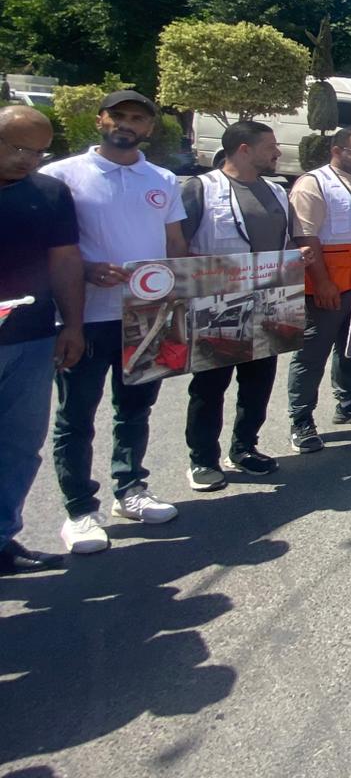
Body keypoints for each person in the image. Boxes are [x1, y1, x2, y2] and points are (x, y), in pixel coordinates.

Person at [41, 90, 187, 553]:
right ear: (100, 120)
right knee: (76, 416)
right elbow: (46, 251)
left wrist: (179, 300)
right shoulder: (60, 176)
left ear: (149, 128)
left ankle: (130, 489)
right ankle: (80, 510)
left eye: (137, 119)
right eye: (118, 116)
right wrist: (85, 270)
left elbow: (175, 246)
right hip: (84, 317)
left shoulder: (163, 179)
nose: (127, 124)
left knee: (135, 410)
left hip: (147, 317)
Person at [178, 121, 292, 492]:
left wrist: (297, 257)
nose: (277, 153)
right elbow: (177, 250)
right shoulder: (200, 189)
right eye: (270, 146)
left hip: (269, 301)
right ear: (244, 149)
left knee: (258, 383)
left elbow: (285, 242)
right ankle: (202, 459)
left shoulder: (276, 191)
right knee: (210, 386)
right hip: (216, 305)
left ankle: (244, 447)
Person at [0, 106, 83, 573]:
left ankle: (2, 539)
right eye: (18, 148)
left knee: (17, 445)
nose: (28, 160)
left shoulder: (50, 193)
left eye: (38, 152)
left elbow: (65, 261)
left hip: (31, 340)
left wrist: (72, 324)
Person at [285, 127, 351, 453]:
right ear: (336, 150)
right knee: (311, 354)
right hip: (328, 284)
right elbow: (306, 236)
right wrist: (322, 282)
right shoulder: (314, 183)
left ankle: (349, 402)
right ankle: (301, 419)